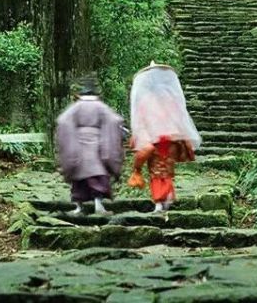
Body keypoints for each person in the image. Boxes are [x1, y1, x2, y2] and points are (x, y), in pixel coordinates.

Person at [127, 62, 201, 212]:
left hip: (154, 141)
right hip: (171, 140)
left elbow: (141, 121)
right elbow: (178, 116)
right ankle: (167, 197)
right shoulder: (170, 99)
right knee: (166, 169)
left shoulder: (145, 101)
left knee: (156, 171)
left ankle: (160, 201)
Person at [55, 78, 125, 216]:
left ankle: (79, 207)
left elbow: (62, 121)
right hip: (98, 145)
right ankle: (98, 205)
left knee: (79, 180)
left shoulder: (76, 107)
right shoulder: (100, 106)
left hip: (78, 145)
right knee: (97, 177)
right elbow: (115, 120)